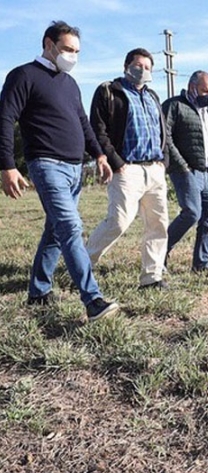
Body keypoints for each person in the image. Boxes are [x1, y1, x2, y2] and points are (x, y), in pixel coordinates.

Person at [0, 21, 119, 321]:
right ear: (48, 44)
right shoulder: (23, 76)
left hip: (74, 169)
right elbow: (4, 119)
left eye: (76, 51)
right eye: (67, 49)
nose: (72, 56)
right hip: (46, 164)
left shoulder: (70, 84)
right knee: (70, 228)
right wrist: (8, 166)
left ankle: (38, 292)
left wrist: (100, 156)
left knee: (54, 231)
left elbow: (83, 123)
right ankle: (93, 301)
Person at [86, 48, 169, 290]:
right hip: (127, 170)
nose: (143, 70)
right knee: (119, 221)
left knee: (158, 224)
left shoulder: (153, 96)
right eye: (138, 65)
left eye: (147, 67)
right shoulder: (109, 91)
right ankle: (82, 263)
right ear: (126, 66)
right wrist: (116, 162)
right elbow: (98, 129)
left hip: (154, 169)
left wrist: (164, 162)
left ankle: (152, 277)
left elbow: (163, 131)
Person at [162, 71, 208, 273]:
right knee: (192, 213)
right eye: (204, 90)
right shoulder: (174, 105)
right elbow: (165, 137)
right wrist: (182, 166)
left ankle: (201, 265)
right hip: (186, 171)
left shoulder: (207, 111)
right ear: (192, 86)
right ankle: (160, 252)